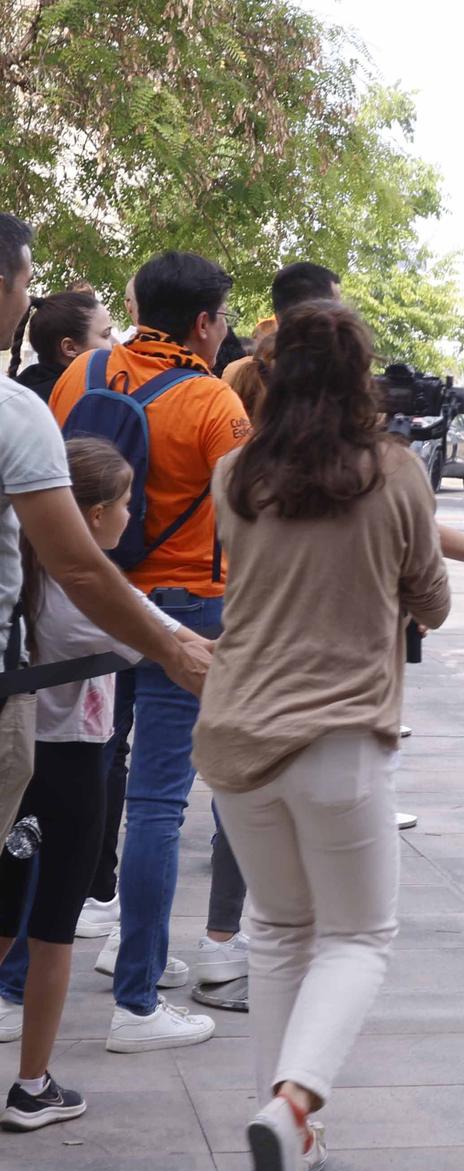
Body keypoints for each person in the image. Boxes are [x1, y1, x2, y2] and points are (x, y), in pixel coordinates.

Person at [190, 300, 447, 1171]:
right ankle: (292, 1105)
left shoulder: (233, 474)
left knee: (278, 930)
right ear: (359, 379)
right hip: (338, 738)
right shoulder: (398, 473)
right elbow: (433, 600)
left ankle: (292, 1141)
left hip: (234, 736)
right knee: (359, 937)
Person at [49, 249, 252, 1054]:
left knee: (78, 785)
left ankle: (10, 986)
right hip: (186, 619)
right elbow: (249, 516)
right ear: (204, 322)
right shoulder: (213, 402)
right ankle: (137, 998)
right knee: (159, 806)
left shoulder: (82, 374)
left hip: (90, 602)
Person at [0, 439, 194, 1130]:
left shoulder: (23, 571)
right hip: (71, 764)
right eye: (126, 500)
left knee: (3, 916)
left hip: (14, 759)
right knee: (54, 931)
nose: (133, 511)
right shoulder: (81, 590)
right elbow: (153, 630)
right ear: (91, 511)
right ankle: (32, 1086)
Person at [222, 261, 340, 420]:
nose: (345, 316)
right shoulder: (339, 386)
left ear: (278, 317)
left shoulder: (240, 377)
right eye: (338, 306)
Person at [9, 291, 115, 402]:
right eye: (106, 335)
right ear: (70, 348)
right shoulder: (80, 401)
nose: (116, 344)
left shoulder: (23, 389)